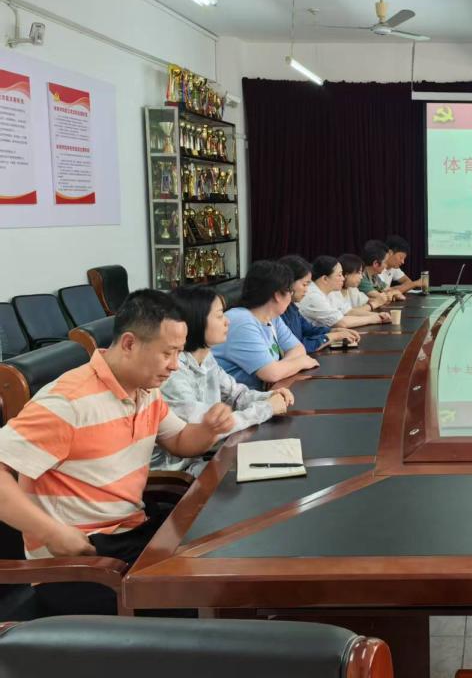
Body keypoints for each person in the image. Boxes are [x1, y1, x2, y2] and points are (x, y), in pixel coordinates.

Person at [0, 290, 235, 614]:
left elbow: (181, 440)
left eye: (179, 353)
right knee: (202, 598)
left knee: (219, 560)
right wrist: (50, 532)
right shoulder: (68, 401)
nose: (174, 366)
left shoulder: (145, 390)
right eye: (167, 353)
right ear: (129, 344)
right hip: (79, 562)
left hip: (130, 537)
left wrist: (208, 429)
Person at [154, 286, 296, 475]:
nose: (227, 321)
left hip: (210, 457)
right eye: (220, 316)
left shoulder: (205, 357)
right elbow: (210, 427)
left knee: (286, 463)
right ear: (196, 320)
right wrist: (267, 408)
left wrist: (269, 396)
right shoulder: (172, 371)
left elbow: (236, 394)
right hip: (179, 473)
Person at [212, 260, 320, 389]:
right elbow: (271, 374)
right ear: (277, 295)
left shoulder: (272, 317)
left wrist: (281, 367)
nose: (291, 297)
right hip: (233, 400)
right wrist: (300, 363)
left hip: (259, 395)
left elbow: (298, 349)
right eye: (290, 291)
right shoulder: (241, 321)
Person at [279, 255, 363, 350]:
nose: (307, 290)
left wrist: (333, 331)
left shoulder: (291, 307)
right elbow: (298, 346)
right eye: (304, 284)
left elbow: (308, 329)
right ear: (288, 284)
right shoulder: (279, 313)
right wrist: (334, 336)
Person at [299, 255, 391, 330]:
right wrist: (373, 319)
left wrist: (378, 315)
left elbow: (348, 311)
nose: (343, 278)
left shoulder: (331, 292)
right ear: (325, 279)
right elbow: (341, 322)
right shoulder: (313, 296)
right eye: (339, 275)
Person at [359, 240, 402, 306]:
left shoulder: (374, 277)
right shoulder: (361, 278)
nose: (386, 266)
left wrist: (392, 292)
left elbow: (395, 292)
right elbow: (382, 298)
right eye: (385, 262)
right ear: (375, 263)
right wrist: (391, 294)